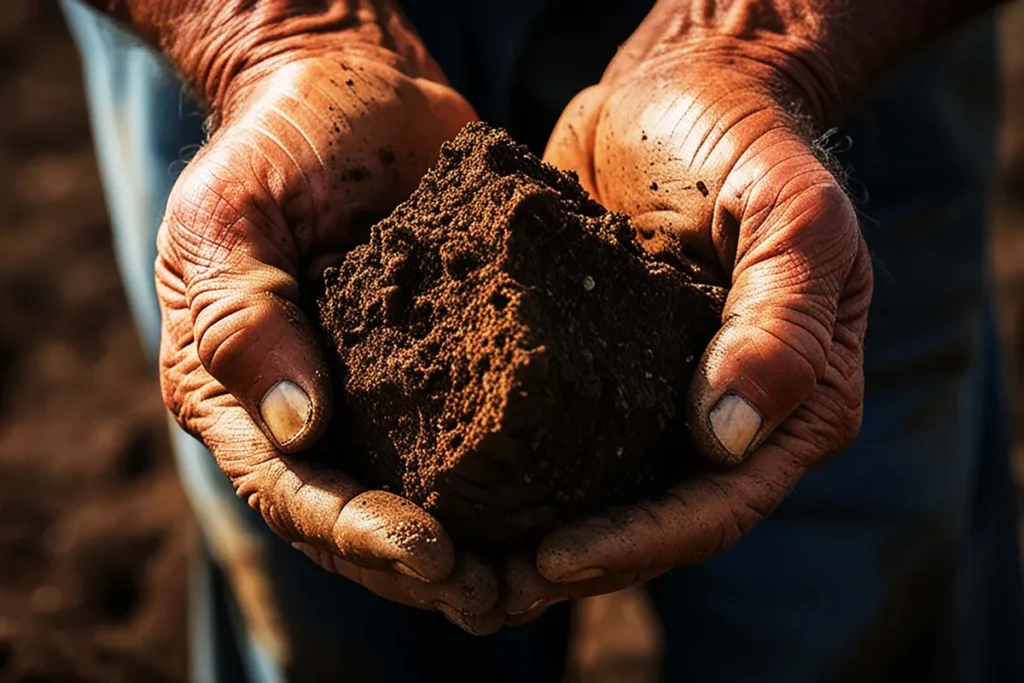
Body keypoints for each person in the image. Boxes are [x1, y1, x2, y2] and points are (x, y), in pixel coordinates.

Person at [59, 0, 1023, 681]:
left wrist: (768, 41)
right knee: (336, 623)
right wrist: (266, 34)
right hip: (255, 74)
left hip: (836, 46)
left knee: (846, 606)